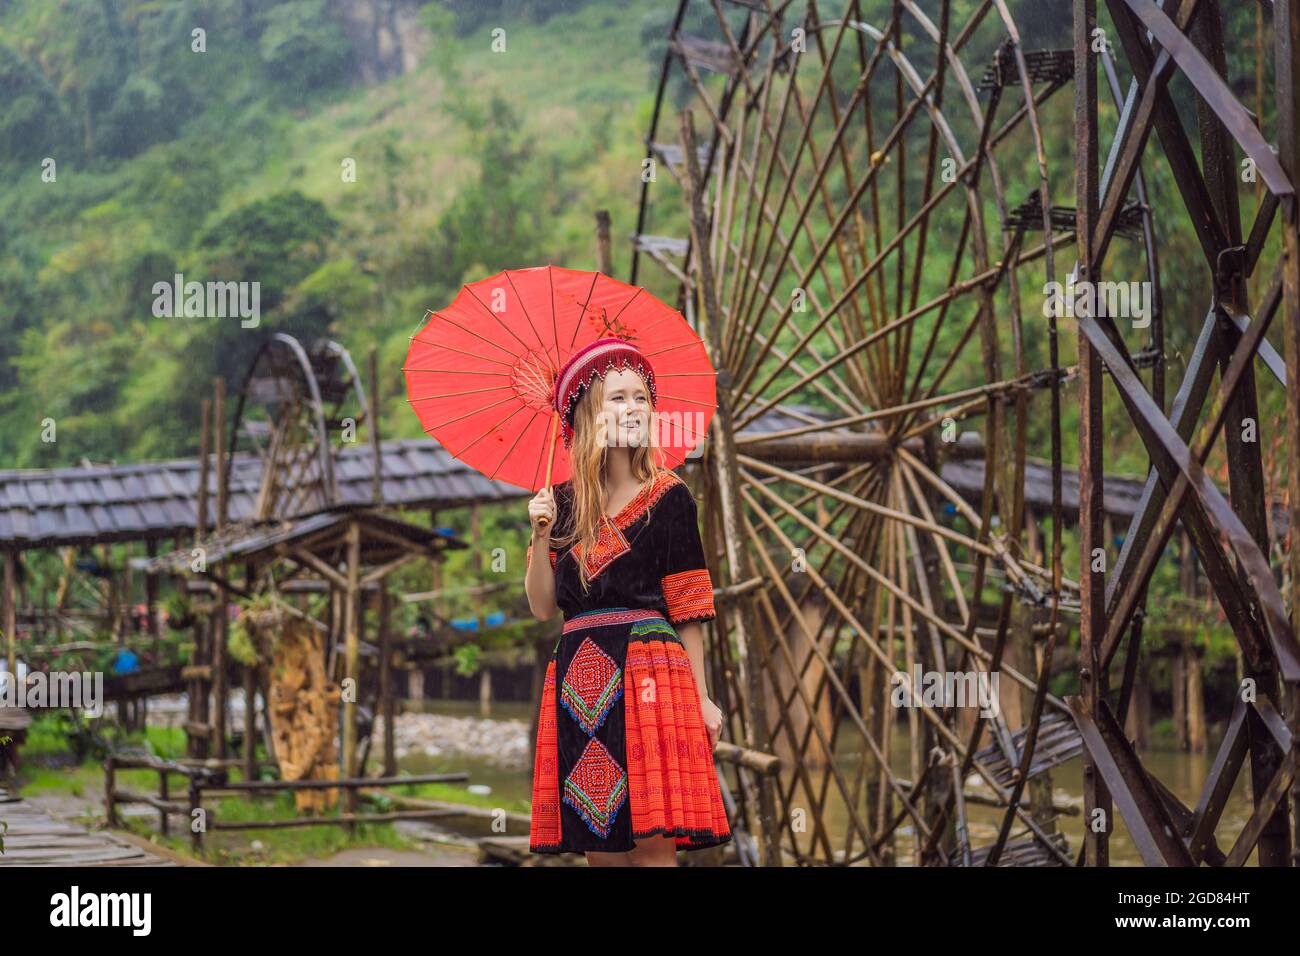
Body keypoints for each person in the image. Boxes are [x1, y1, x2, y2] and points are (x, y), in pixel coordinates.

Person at [524, 337, 731, 867]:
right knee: (602, 847)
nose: (634, 407)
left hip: (650, 673)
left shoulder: (670, 497)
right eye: (618, 398)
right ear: (589, 413)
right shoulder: (561, 505)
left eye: (642, 397)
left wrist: (702, 697)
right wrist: (541, 536)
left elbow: (689, 604)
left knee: (653, 844)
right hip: (581, 677)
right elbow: (544, 608)